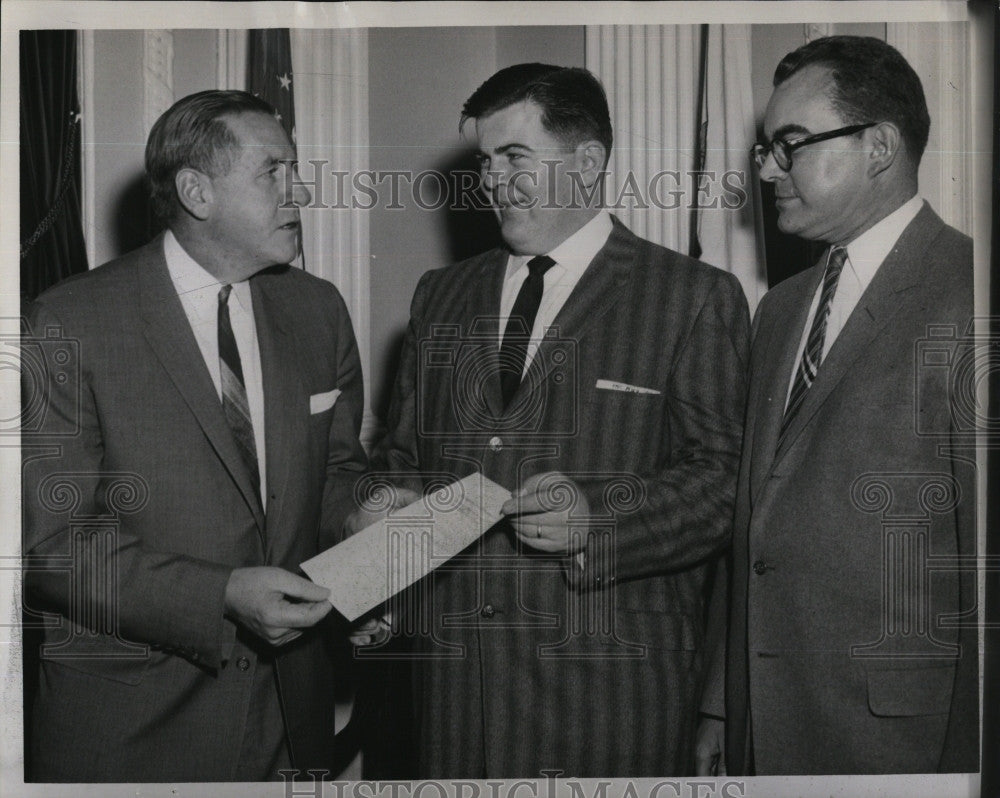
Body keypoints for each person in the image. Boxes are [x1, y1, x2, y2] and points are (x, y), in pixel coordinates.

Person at [354, 63, 750, 778]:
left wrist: (600, 519)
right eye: (484, 161)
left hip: (609, 694)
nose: (492, 181)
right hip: (453, 696)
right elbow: (402, 460)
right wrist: (384, 508)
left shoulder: (691, 297)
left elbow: (726, 483)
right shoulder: (442, 295)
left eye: (515, 158)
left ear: (588, 162)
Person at [21, 90, 368, 781]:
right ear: (196, 191)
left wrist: (367, 516)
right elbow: (55, 548)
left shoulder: (317, 310)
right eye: (274, 171)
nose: (300, 190)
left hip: (290, 725)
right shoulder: (67, 321)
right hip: (133, 731)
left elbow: (335, 475)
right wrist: (219, 597)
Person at [696, 36, 978, 775]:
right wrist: (725, 704)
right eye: (764, 146)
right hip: (766, 732)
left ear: (879, 145)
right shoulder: (780, 310)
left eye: (789, 144)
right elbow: (753, 523)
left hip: (902, 745)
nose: (764, 168)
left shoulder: (972, 292)